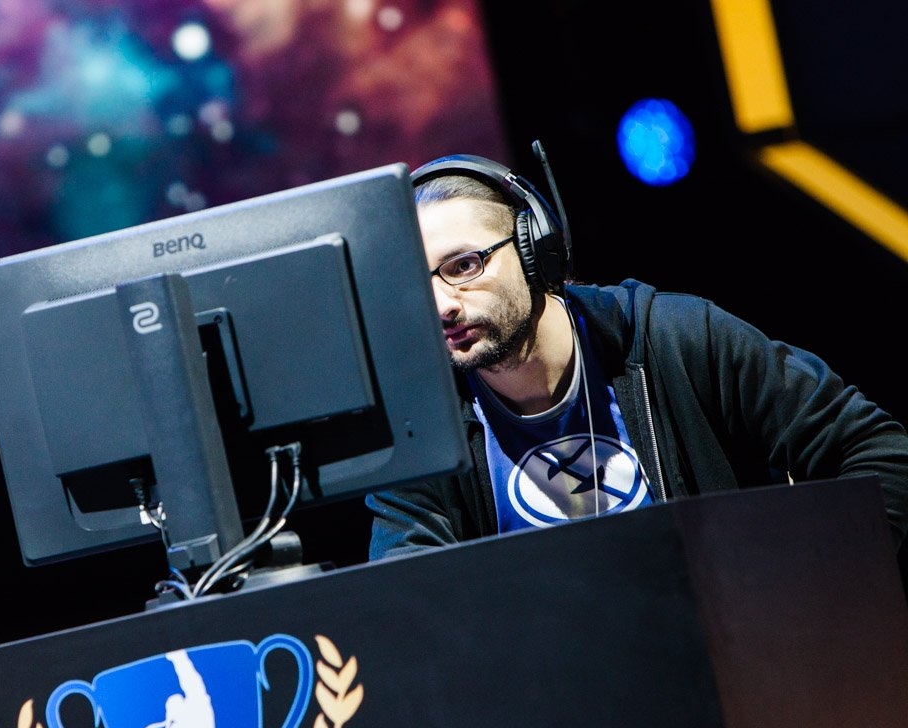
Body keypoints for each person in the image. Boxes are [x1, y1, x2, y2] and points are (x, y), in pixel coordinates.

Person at [367, 150, 908, 559]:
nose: (442, 305)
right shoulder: (424, 424)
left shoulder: (675, 338)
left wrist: (800, 597)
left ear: (536, 250)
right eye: (419, 281)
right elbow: (404, 591)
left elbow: (878, 451)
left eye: (464, 266)